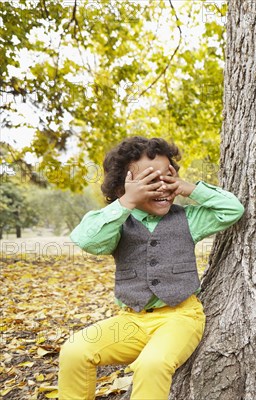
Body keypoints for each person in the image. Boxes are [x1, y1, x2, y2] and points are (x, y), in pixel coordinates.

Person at [58, 136, 244, 399]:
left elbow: (232, 209)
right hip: (131, 320)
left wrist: (188, 188)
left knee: (152, 364)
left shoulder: (187, 219)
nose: (162, 187)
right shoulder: (117, 222)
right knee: (75, 351)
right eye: (149, 180)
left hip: (180, 318)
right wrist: (125, 204)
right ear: (123, 187)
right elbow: (87, 239)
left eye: (168, 177)